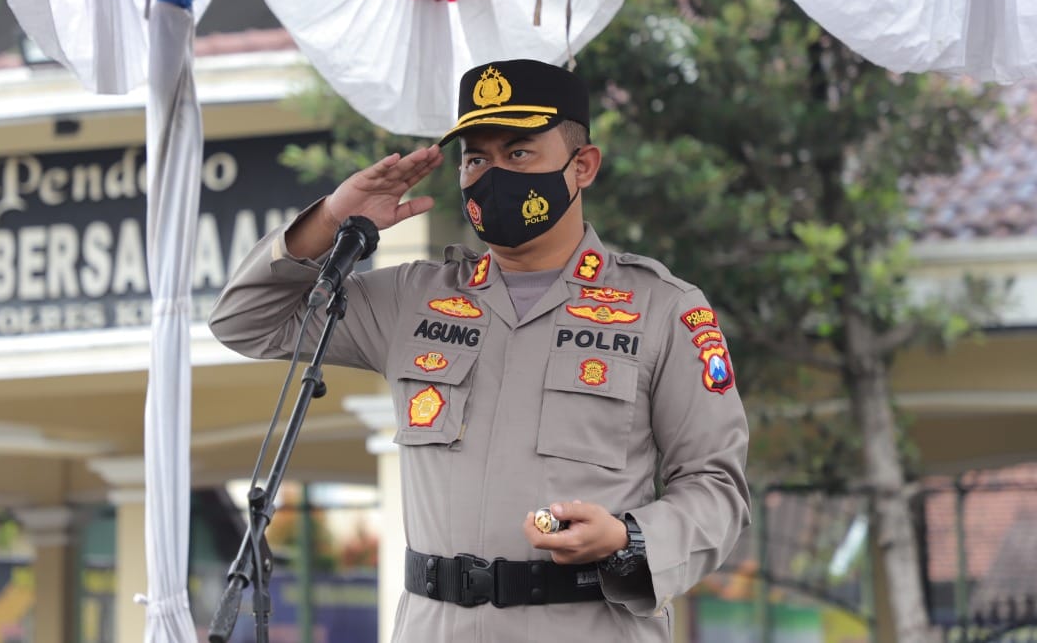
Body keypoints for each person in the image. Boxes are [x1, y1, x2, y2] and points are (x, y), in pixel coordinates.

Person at [210, 59, 751, 641]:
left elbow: (715, 487)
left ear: (583, 166)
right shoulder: (412, 300)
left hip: (586, 624)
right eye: (475, 159)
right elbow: (246, 321)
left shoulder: (661, 308)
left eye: (518, 153)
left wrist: (628, 539)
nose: (493, 176)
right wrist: (331, 218)